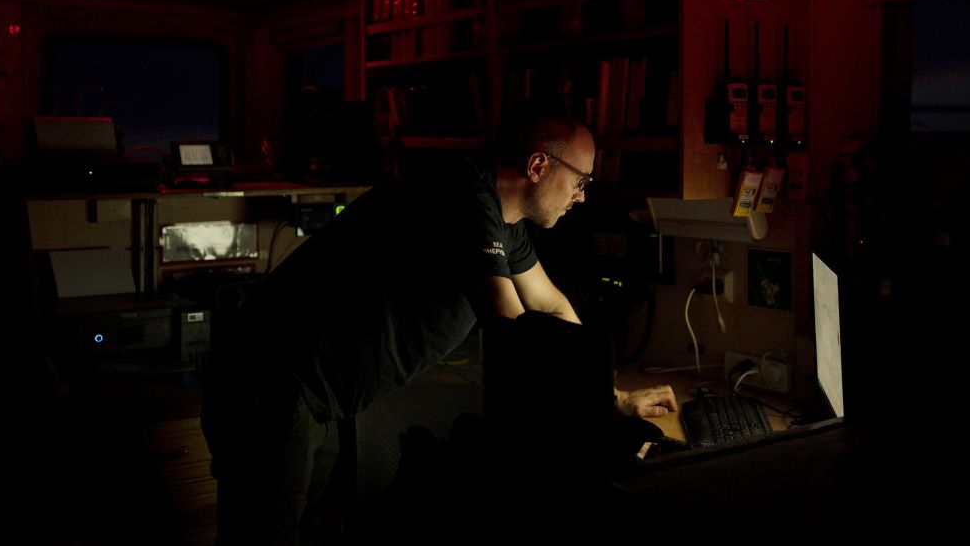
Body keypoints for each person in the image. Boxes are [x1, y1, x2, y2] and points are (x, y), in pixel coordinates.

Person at [201, 105, 677, 545]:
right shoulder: (464, 200)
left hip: (319, 397)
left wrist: (608, 396)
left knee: (309, 532)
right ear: (537, 167)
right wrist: (601, 415)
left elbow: (551, 307)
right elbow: (514, 331)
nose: (581, 195)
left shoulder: (502, 220)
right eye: (581, 180)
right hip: (272, 385)